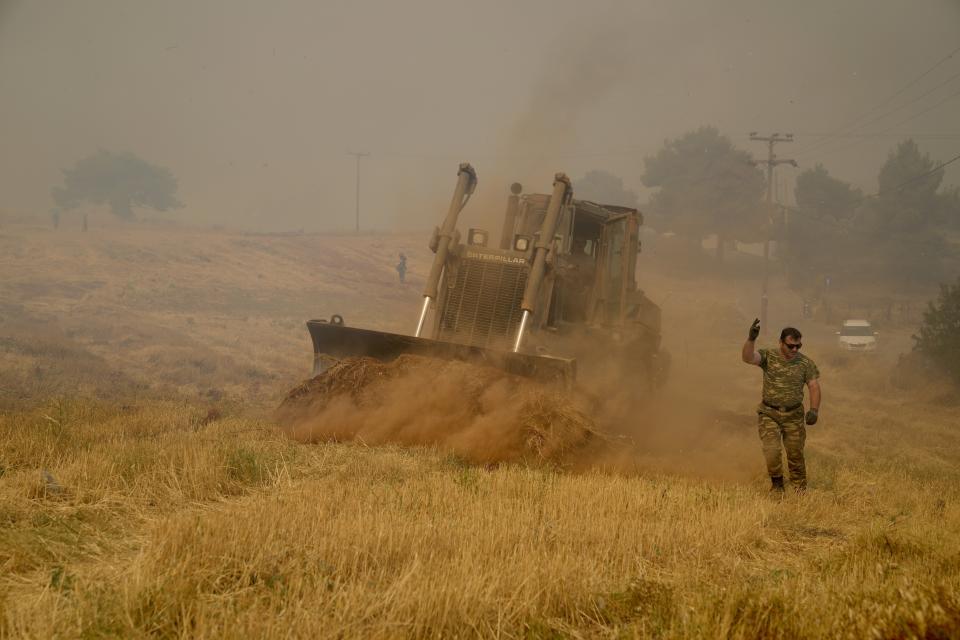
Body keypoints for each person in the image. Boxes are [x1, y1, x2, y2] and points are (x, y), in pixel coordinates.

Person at [741, 319, 821, 494]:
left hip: (793, 415)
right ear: (781, 342)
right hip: (769, 413)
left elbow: (814, 386)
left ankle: (800, 488)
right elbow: (747, 358)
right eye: (791, 346)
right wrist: (751, 339)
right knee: (771, 449)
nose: (795, 350)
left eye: (798, 346)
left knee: (795, 453)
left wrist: (814, 410)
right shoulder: (768, 356)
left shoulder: (805, 363)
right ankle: (777, 486)